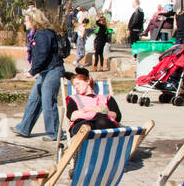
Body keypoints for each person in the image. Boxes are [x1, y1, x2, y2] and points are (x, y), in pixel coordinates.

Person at [13, 10, 65, 139]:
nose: (24, 22)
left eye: (26, 20)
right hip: (45, 71)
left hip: (53, 70)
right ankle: (24, 128)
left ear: (33, 20)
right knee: (34, 99)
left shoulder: (43, 34)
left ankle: (54, 133)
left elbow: (43, 55)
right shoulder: (38, 34)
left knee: (48, 101)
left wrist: (32, 71)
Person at [64, 66, 123, 135]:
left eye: (78, 84)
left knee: (102, 122)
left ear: (88, 81)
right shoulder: (74, 98)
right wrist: (91, 110)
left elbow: (117, 117)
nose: (76, 87)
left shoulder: (107, 98)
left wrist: (103, 111)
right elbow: (72, 116)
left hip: (104, 122)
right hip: (83, 124)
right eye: (74, 85)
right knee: (86, 127)